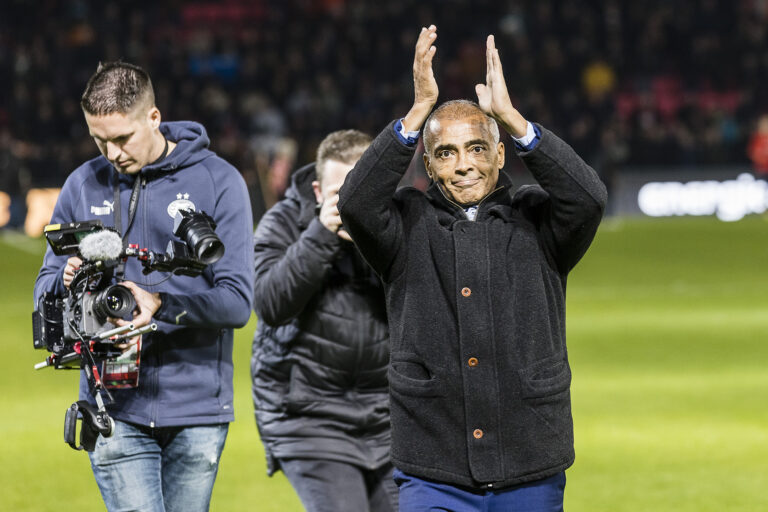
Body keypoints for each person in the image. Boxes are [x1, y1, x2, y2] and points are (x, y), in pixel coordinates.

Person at [338, 26, 607, 511]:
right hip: (433, 468)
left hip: (530, 462)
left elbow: (588, 199)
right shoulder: (404, 225)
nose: (464, 164)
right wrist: (417, 112)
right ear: (428, 164)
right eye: (446, 152)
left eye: (478, 148)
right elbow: (355, 203)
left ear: (501, 154)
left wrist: (512, 119)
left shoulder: (538, 222)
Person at [33, 62, 254, 512]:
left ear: (154, 118)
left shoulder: (218, 181)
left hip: (196, 408)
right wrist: (66, 278)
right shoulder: (82, 183)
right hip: (113, 404)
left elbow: (236, 302)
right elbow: (44, 291)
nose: (111, 153)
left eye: (121, 139)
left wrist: (162, 304)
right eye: (99, 140)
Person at [251, 130, 397, 512]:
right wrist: (322, 234)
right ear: (317, 192)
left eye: (363, 190)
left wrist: (377, 237)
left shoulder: (396, 223)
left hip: (388, 417)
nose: (352, 204)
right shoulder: (282, 224)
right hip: (308, 416)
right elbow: (270, 304)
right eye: (340, 194)